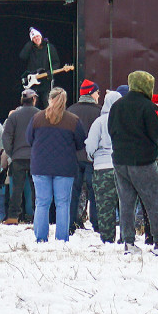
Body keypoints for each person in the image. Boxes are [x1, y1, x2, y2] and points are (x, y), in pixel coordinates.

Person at [108, 70, 158, 256]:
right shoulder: (150, 108)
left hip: (120, 161)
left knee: (126, 203)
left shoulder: (116, 106)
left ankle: (129, 243)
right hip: (142, 162)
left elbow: (111, 130)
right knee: (153, 202)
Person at [26, 88, 86, 242]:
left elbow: (29, 139)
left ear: (49, 100)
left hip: (40, 166)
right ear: (64, 101)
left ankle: (40, 238)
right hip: (65, 168)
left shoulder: (37, 118)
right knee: (63, 203)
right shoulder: (73, 120)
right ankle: (61, 238)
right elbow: (80, 143)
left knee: (42, 202)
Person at [86, 90, 121, 243]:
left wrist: (93, 157)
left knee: (105, 206)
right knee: (125, 205)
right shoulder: (124, 120)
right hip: (122, 167)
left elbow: (91, 146)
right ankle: (127, 236)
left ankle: (107, 238)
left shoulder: (99, 122)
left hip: (102, 168)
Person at [67, 79, 102, 233]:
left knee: (73, 192)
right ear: (90, 93)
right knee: (94, 191)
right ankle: (96, 223)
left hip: (74, 158)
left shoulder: (70, 110)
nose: (98, 95)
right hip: (92, 159)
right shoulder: (99, 111)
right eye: (97, 92)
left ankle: (72, 222)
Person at [2, 89, 40, 224]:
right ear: (34, 99)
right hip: (35, 158)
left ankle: (13, 216)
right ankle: (38, 216)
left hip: (17, 158)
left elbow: (6, 137)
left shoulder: (14, 116)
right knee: (37, 189)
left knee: (16, 189)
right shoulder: (40, 115)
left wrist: (12, 153)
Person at [19, 27, 61, 103]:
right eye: (34, 38)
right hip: (33, 82)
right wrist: (29, 44)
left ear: (41, 36)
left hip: (45, 81)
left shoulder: (49, 47)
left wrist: (50, 72)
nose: (36, 38)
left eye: (37, 36)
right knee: (33, 104)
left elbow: (56, 63)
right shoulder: (30, 48)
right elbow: (22, 57)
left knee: (47, 103)